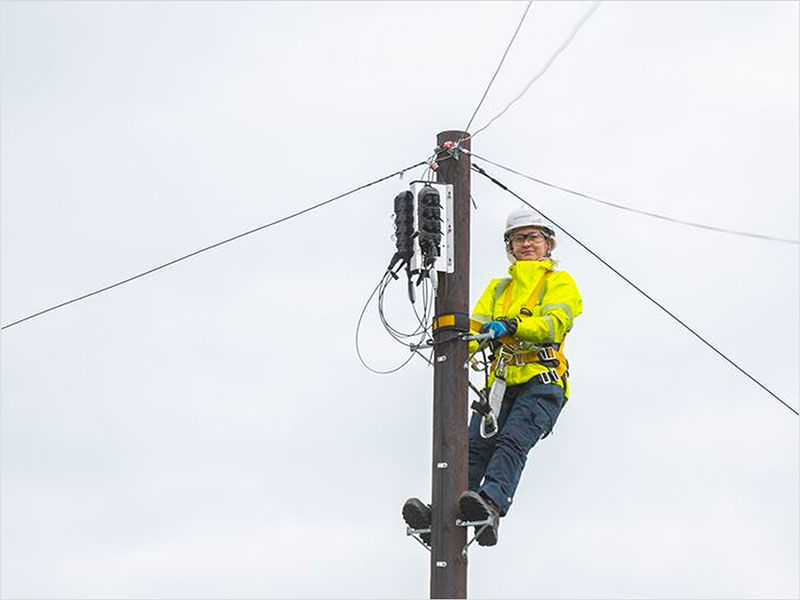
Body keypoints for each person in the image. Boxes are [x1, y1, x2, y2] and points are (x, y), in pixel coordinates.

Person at [402, 207, 583, 548]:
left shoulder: (560, 282)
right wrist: (448, 346)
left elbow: (554, 323)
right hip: (501, 384)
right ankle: (441, 513)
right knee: (471, 449)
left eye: (532, 237)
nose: (526, 244)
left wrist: (513, 326)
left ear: (548, 244)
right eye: (518, 238)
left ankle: (491, 505)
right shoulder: (499, 289)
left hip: (542, 380)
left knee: (511, 441)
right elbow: (470, 331)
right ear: (509, 246)